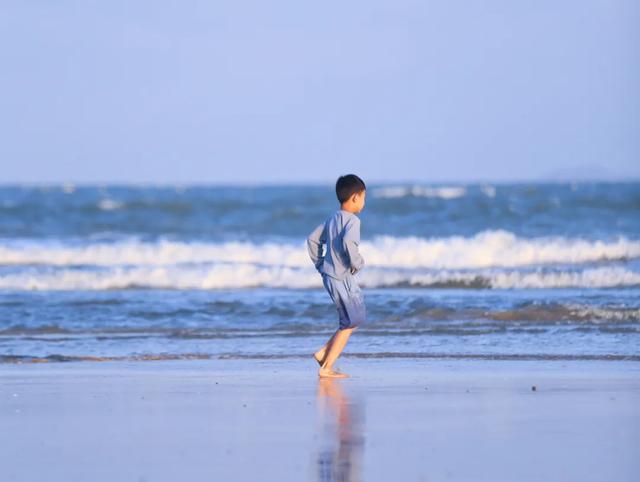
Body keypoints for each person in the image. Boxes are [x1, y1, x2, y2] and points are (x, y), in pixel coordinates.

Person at [307, 174, 367, 378]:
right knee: (350, 321)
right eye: (363, 197)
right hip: (341, 277)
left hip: (332, 275)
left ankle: (324, 353)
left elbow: (312, 239)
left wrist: (320, 263)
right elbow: (350, 245)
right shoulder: (353, 221)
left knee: (354, 318)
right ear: (355, 198)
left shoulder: (332, 218)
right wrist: (358, 263)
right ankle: (327, 368)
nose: (364, 202)